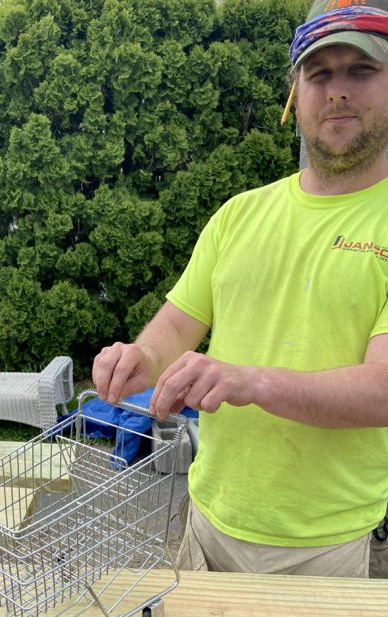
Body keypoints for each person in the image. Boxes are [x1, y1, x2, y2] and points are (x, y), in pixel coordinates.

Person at [92, 0, 388, 578]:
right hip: (208, 525)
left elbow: (382, 390)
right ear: (295, 96)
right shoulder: (238, 214)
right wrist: (142, 358)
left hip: (327, 546)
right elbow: (178, 324)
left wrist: (251, 381)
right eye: (318, 74)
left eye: (361, 70)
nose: (337, 91)